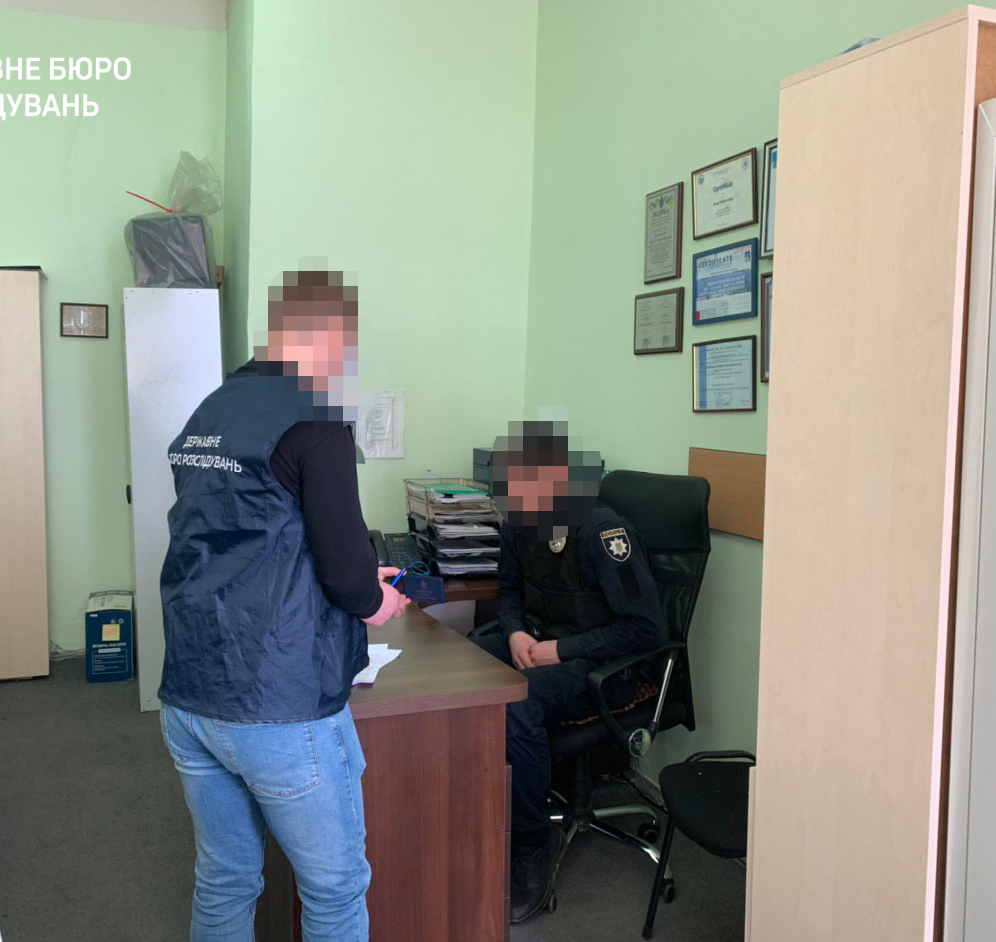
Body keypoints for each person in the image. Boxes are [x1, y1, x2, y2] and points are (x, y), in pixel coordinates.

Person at [158, 270, 410, 942]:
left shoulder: (209, 411)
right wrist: (375, 597)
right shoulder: (315, 421)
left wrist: (351, 574)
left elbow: (244, 536)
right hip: (277, 704)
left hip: (189, 691)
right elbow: (348, 580)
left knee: (225, 877)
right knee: (334, 889)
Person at [470, 421, 666, 924]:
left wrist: (561, 650)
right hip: (540, 643)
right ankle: (477, 808)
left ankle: (532, 842)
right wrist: (515, 633)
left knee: (516, 701)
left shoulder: (602, 532)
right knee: (464, 665)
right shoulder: (519, 523)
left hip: (604, 666)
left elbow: (646, 629)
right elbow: (509, 592)